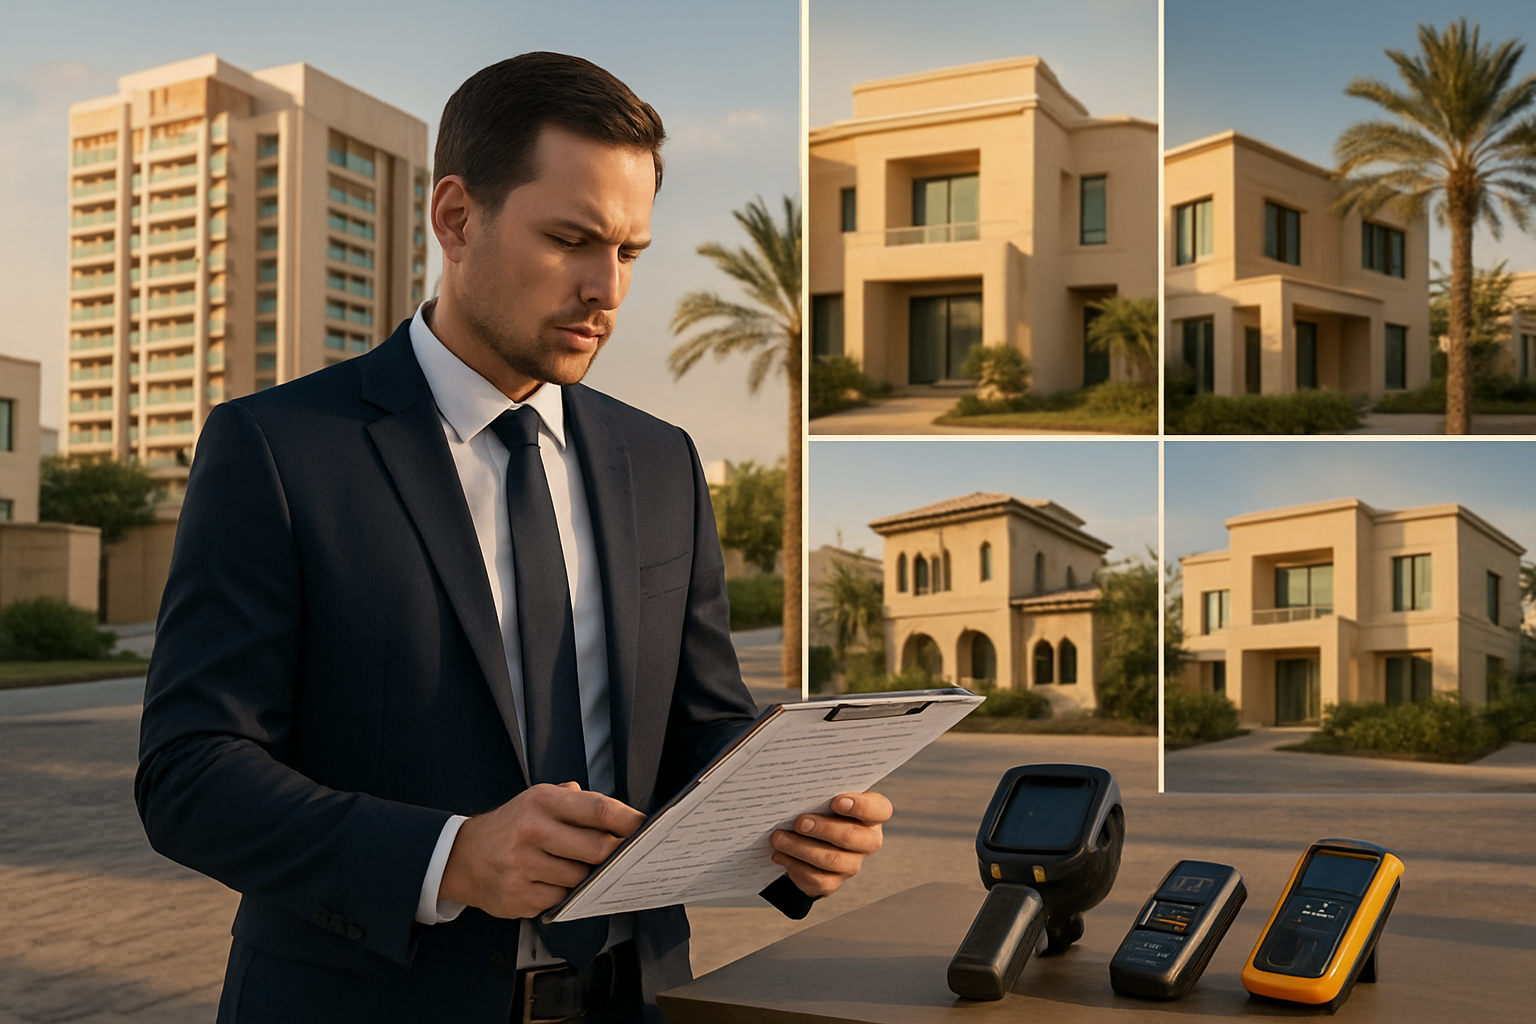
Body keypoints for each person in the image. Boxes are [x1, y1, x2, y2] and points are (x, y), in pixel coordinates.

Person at [135, 52, 891, 1024]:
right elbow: (190, 771)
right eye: (572, 239)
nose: (606, 289)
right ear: (455, 217)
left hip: (636, 1000)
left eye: (629, 251)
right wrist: (449, 855)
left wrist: (787, 820)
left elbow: (697, 723)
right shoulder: (281, 450)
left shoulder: (662, 462)